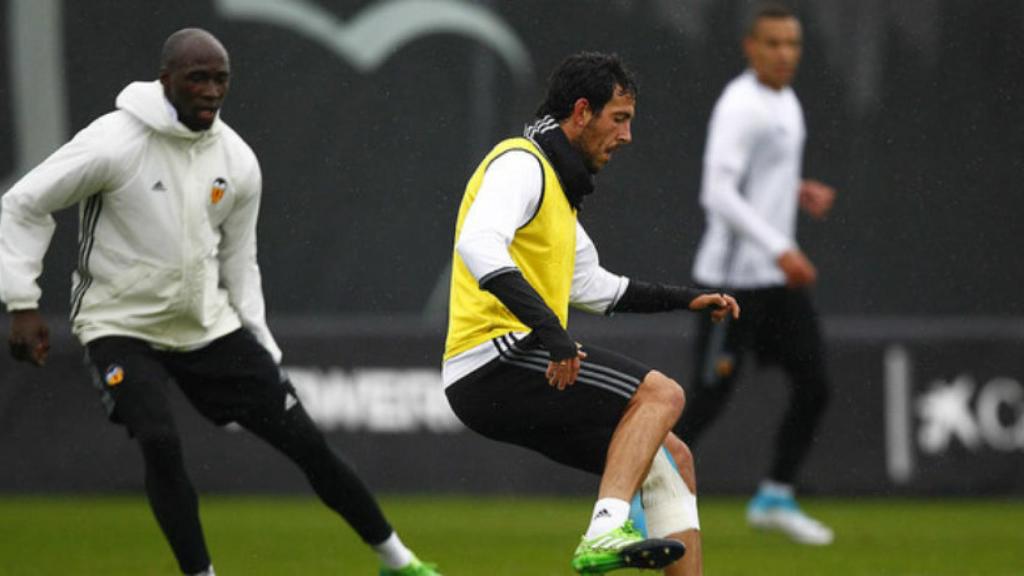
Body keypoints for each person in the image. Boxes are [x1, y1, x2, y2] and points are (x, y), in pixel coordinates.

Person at [0, 28, 440, 576]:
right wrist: (22, 301)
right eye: (197, 78)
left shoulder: (237, 161)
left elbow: (239, 263)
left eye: (220, 79)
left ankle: (399, 562)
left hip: (206, 327)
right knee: (159, 440)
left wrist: (260, 339)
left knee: (306, 443)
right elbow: (22, 204)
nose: (211, 91)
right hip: (118, 324)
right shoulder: (114, 142)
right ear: (166, 81)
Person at [442, 51, 740, 576]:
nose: (626, 136)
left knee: (671, 461)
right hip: (492, 359)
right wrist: (553, 336)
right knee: (662, 394)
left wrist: (685, 297)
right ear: (581, 112)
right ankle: (604, 531)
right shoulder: (521, 163)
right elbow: (478, 246)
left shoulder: (557, 186)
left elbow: (595, 287)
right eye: (618, 119)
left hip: (507, 365)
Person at [675, 2, 837, 546]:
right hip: (731, 281)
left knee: (816, 385)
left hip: (771, 280)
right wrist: (779, 247)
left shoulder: (786, 100)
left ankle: (774, 495)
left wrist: (795, 190)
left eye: (792, 44)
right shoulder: (739, 105)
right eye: (772, 43)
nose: (784, 53)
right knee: (706, 400)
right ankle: (635, 497)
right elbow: (715, 193)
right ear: (750, 47)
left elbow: (753, 179)